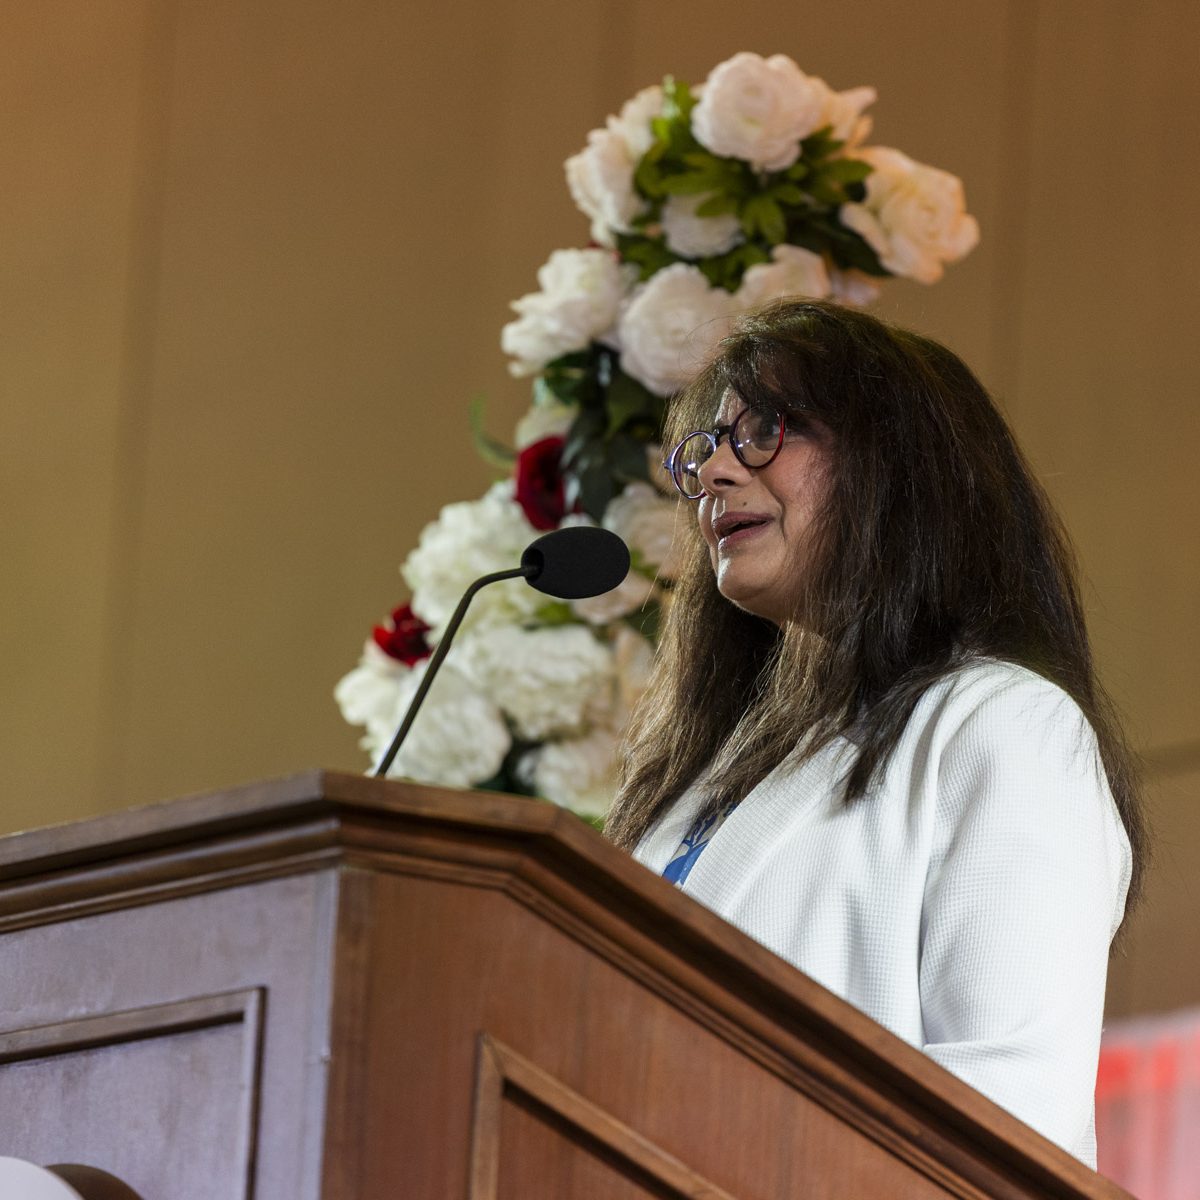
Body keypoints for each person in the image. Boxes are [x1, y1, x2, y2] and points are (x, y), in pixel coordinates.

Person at [605, 299, 1148, 1168]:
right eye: (706, 447)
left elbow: (1009, 1115)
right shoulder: (710, 777)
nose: (714, 476)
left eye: (767, 432)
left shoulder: (1002, 723)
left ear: (902, 469)